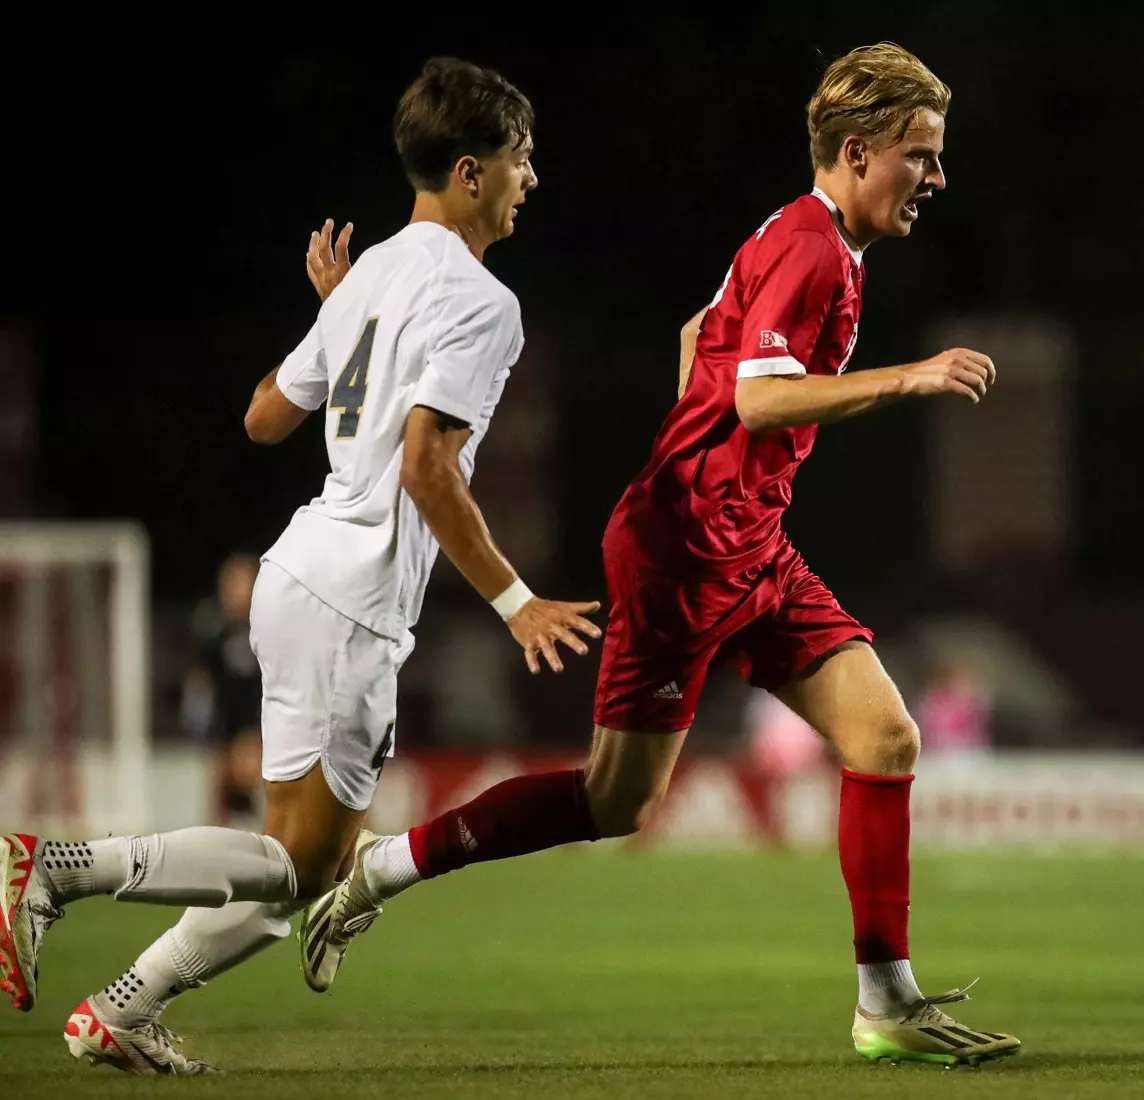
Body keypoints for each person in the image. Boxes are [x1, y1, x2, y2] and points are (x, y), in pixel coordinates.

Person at [302, 42, 1019, 1067]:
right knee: (614, 801)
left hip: (744, 541)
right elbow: (758, 394)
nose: (937, 178)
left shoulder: (803, 235)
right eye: (922, 155)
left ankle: (886, 1001)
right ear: (859, 153)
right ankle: (386, 866)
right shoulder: (814, 250)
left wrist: (713, 462)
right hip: (684, 553)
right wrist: (910, 379)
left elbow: (701, 336)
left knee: (886, 737)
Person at [0, 57, 601, 1075]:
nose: (530, 178)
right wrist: (515, 599)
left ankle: (121, 1006)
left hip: (299, 570)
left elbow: (265, 414)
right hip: (353, 592)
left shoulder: (368, 276)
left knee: (297, 870)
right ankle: (50, 868)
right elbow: (425, 467)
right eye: (520, 159)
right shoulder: (485, 303)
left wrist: (335, 312)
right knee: (305, 864)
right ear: (468, 172)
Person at [179, 553, 266, 828]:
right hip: (223, 729)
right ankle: (216, 837)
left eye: (242, 582)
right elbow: (201, 682)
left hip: (262, 726)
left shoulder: (268, 627)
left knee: (258, 774)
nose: (234, 590)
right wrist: (197, 724)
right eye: (229, 583)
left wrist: (260, 733)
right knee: (220, 783)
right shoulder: (211, 629)